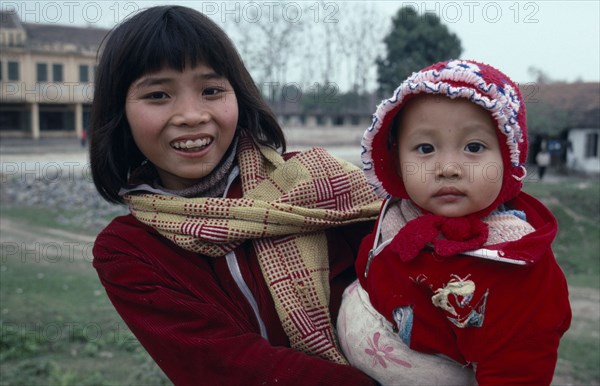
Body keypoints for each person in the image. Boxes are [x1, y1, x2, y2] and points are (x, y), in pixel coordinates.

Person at [88, 6, 382, 385]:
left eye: (211, 90)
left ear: (239, 96)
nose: (191, 115)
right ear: (120, 113)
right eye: (158, 95)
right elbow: (226, 366)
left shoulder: (313, 182)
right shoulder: (128, 250)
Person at [337, 59, 572, 385]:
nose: (448, 167)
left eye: (474, 147)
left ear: (507, 158)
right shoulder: (396, 214)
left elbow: (520, 367)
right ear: (396, 158)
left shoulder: (518, 264)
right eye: (425, 148)